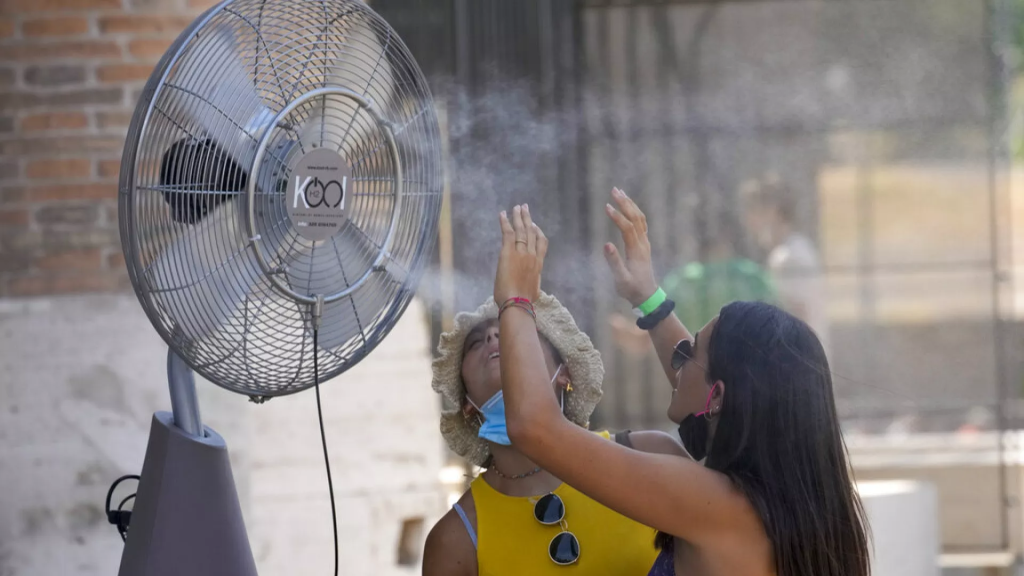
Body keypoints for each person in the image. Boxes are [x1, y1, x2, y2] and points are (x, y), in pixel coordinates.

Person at [492, 191, 870, 576]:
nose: (677, 354)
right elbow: (699, 382)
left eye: (690, 351)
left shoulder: (713, 502)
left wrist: (516, 298)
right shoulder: (797, 503)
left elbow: (534, 428)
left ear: (719, 397)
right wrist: (648, 299)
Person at [423, 292, 686, 575]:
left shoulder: (650, 455)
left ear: (564, 375)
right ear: (467, 406)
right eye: (475, 342)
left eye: (516, 331)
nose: (492, 337)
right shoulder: (454, 542)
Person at [742, 176, 829, 355]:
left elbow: (798, 319)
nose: (748, 220)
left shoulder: (787, 257)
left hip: (799, 367)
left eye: (753, 210)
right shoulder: (798, 248)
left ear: (772, 211)